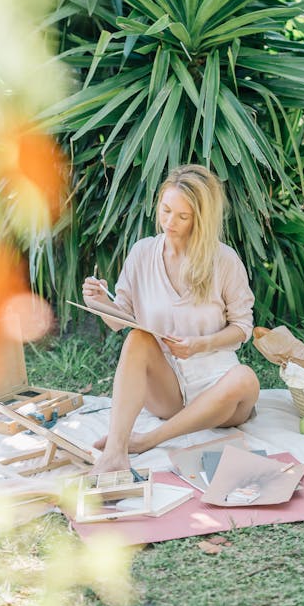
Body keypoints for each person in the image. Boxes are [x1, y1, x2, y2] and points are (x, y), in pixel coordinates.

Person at [82, 164, 259, 474]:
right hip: (168, 390)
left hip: (219, 393)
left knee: (246, 378)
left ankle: (148, 440)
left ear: (200, 219)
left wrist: (202, 344)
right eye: (165, 210)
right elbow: (119, 320)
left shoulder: (224, 260)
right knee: (138, 338)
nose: (169, 222)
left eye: (182, 216)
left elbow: (243, 327)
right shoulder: (142, 253)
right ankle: (115, 451)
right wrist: (98, 302)